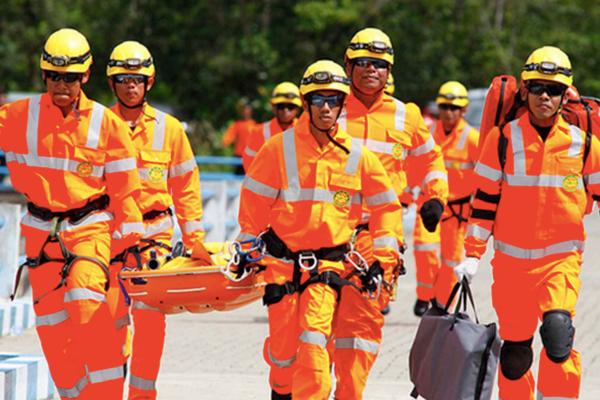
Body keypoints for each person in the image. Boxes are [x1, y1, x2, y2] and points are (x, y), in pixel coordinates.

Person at [236, 60, 402, 399]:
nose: (326, 108)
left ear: (342, 103)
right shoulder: (278, 149)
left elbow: (386, 206)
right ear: (305, 102)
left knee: (313, 346)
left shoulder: (357, 155)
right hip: (281, 269)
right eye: (318, 100)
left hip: (327, 270)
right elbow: (252, 208)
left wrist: (384, 259)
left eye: (333, 100)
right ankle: (282, 390)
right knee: (283, 359)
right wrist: (247, 251)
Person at [0, 28, 143, 398]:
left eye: (70, 77)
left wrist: (130, 243)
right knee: (53, 333)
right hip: (39, 233)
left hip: (89, 228)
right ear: (43, 75)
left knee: (87, 305)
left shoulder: (106, 124)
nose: (61, 84)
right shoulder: (18, 116)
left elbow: (127, 190)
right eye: (54, 76)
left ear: (86, 76)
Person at [455, 46, 600, 399]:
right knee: (516, 355)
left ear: (566, 95)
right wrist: (472, 254)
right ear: (524, 90)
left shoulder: (584, 145)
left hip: (560, 263)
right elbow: (485, 201)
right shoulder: (501, 140)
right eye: (537, 88)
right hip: (511, 267)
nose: (544, 96)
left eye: (553, 89)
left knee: (557, 333)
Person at [332, 27, 448, 399]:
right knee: (312, 326)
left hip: (376, 237)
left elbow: (431, 159)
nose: (371, 70)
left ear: (389, 70)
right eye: (363, 63)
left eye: (380, 64)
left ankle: (349, 394)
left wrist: (435, 196)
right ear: (348, 66)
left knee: (361, 325)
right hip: (321, 233)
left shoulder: (406, 116)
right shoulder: (328, 107)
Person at [106, 40, 205, 399]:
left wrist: (195, 241)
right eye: (123, 79)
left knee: (150, 326)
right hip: (110, 238)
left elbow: (187, 187)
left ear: (149, 82)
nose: (130, 86)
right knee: (110, 324)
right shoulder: (100, 124)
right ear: (112, 83)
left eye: (137, 79)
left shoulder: (170, 129)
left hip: (155, 243)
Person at [410, 81, 479, 315]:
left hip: (458, 212)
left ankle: (442, 304)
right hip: (429, 206)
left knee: (451, 262)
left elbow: (484, 177)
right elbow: (412, 167)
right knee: (424, 250)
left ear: (463, 110)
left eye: (454, 108)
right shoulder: (427, 134)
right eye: (444, 107)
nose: (448, 112)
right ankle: (425, 296)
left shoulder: (473, 139)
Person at [241, 82, 301, 171]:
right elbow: (249, 162)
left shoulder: (307, 130)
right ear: (273, 107)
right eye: (281, 106)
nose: (285, 110)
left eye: (290, 106)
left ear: (298, 109)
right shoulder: (259, 132)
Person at [222, 99, 256, 174]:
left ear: (251, 110)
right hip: (239, 158)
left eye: (247, 108)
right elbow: (227, 138)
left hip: (251, 158)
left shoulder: (255, 125)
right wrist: (225, 143)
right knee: (238, 180)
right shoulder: (236, 125)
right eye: (243, 109)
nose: (245, 111)